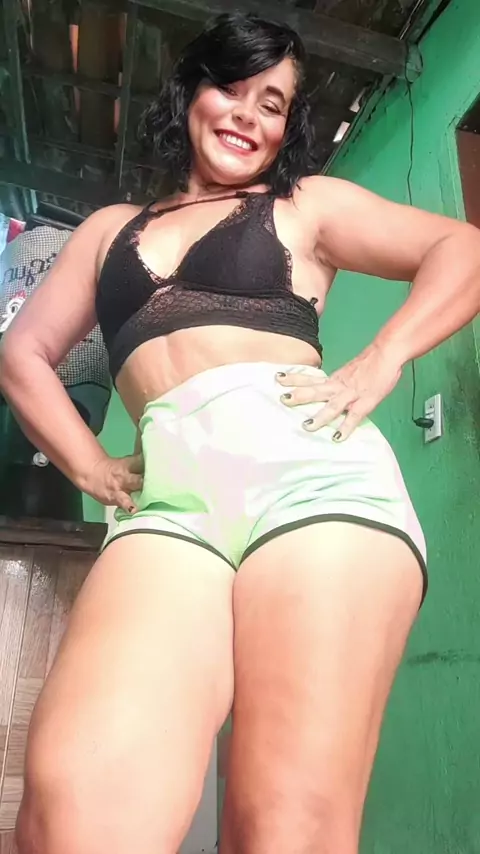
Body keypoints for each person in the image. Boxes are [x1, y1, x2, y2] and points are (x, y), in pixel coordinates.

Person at [0, 12, 479, 854]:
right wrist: (90, 466)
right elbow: (23, 354)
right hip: (169, 505)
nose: (248, 116)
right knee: (73, 810)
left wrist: (382, 360)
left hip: (316, 486)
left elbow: (461, 248)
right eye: (234, 87)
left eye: (273, 104)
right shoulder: (108, 230)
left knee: (282, 826)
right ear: (193, 90)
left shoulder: (307, 205)